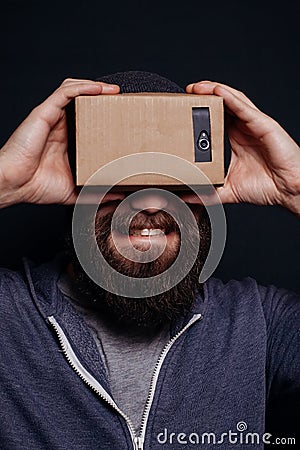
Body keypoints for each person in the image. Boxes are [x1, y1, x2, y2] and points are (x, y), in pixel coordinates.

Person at [0, 71, 299, 450]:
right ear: (75, 183)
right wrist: (6, 180)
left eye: (172, 182)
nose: (149, 205)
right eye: (118, 180)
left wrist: (295, 187)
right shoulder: (8, 317)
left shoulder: (258, 323)